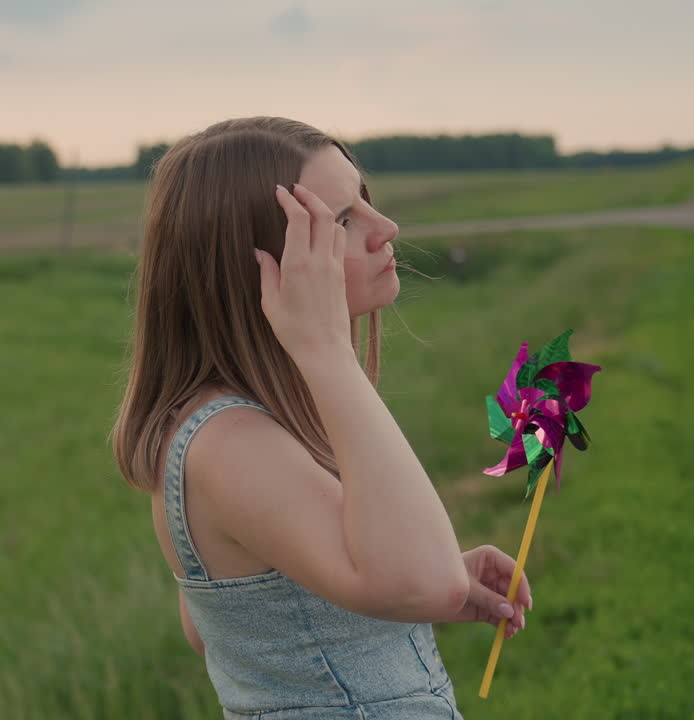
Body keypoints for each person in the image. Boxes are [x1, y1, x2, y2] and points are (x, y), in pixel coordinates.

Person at [110, 117, 532, 719]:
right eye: (340, 220)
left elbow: (232, 625)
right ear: (257, 268)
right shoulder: (229, 443)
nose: (385, 229)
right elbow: (426, 584)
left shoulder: (252, 426)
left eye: (365, 200)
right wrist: (326, 348)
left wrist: (416, 577)